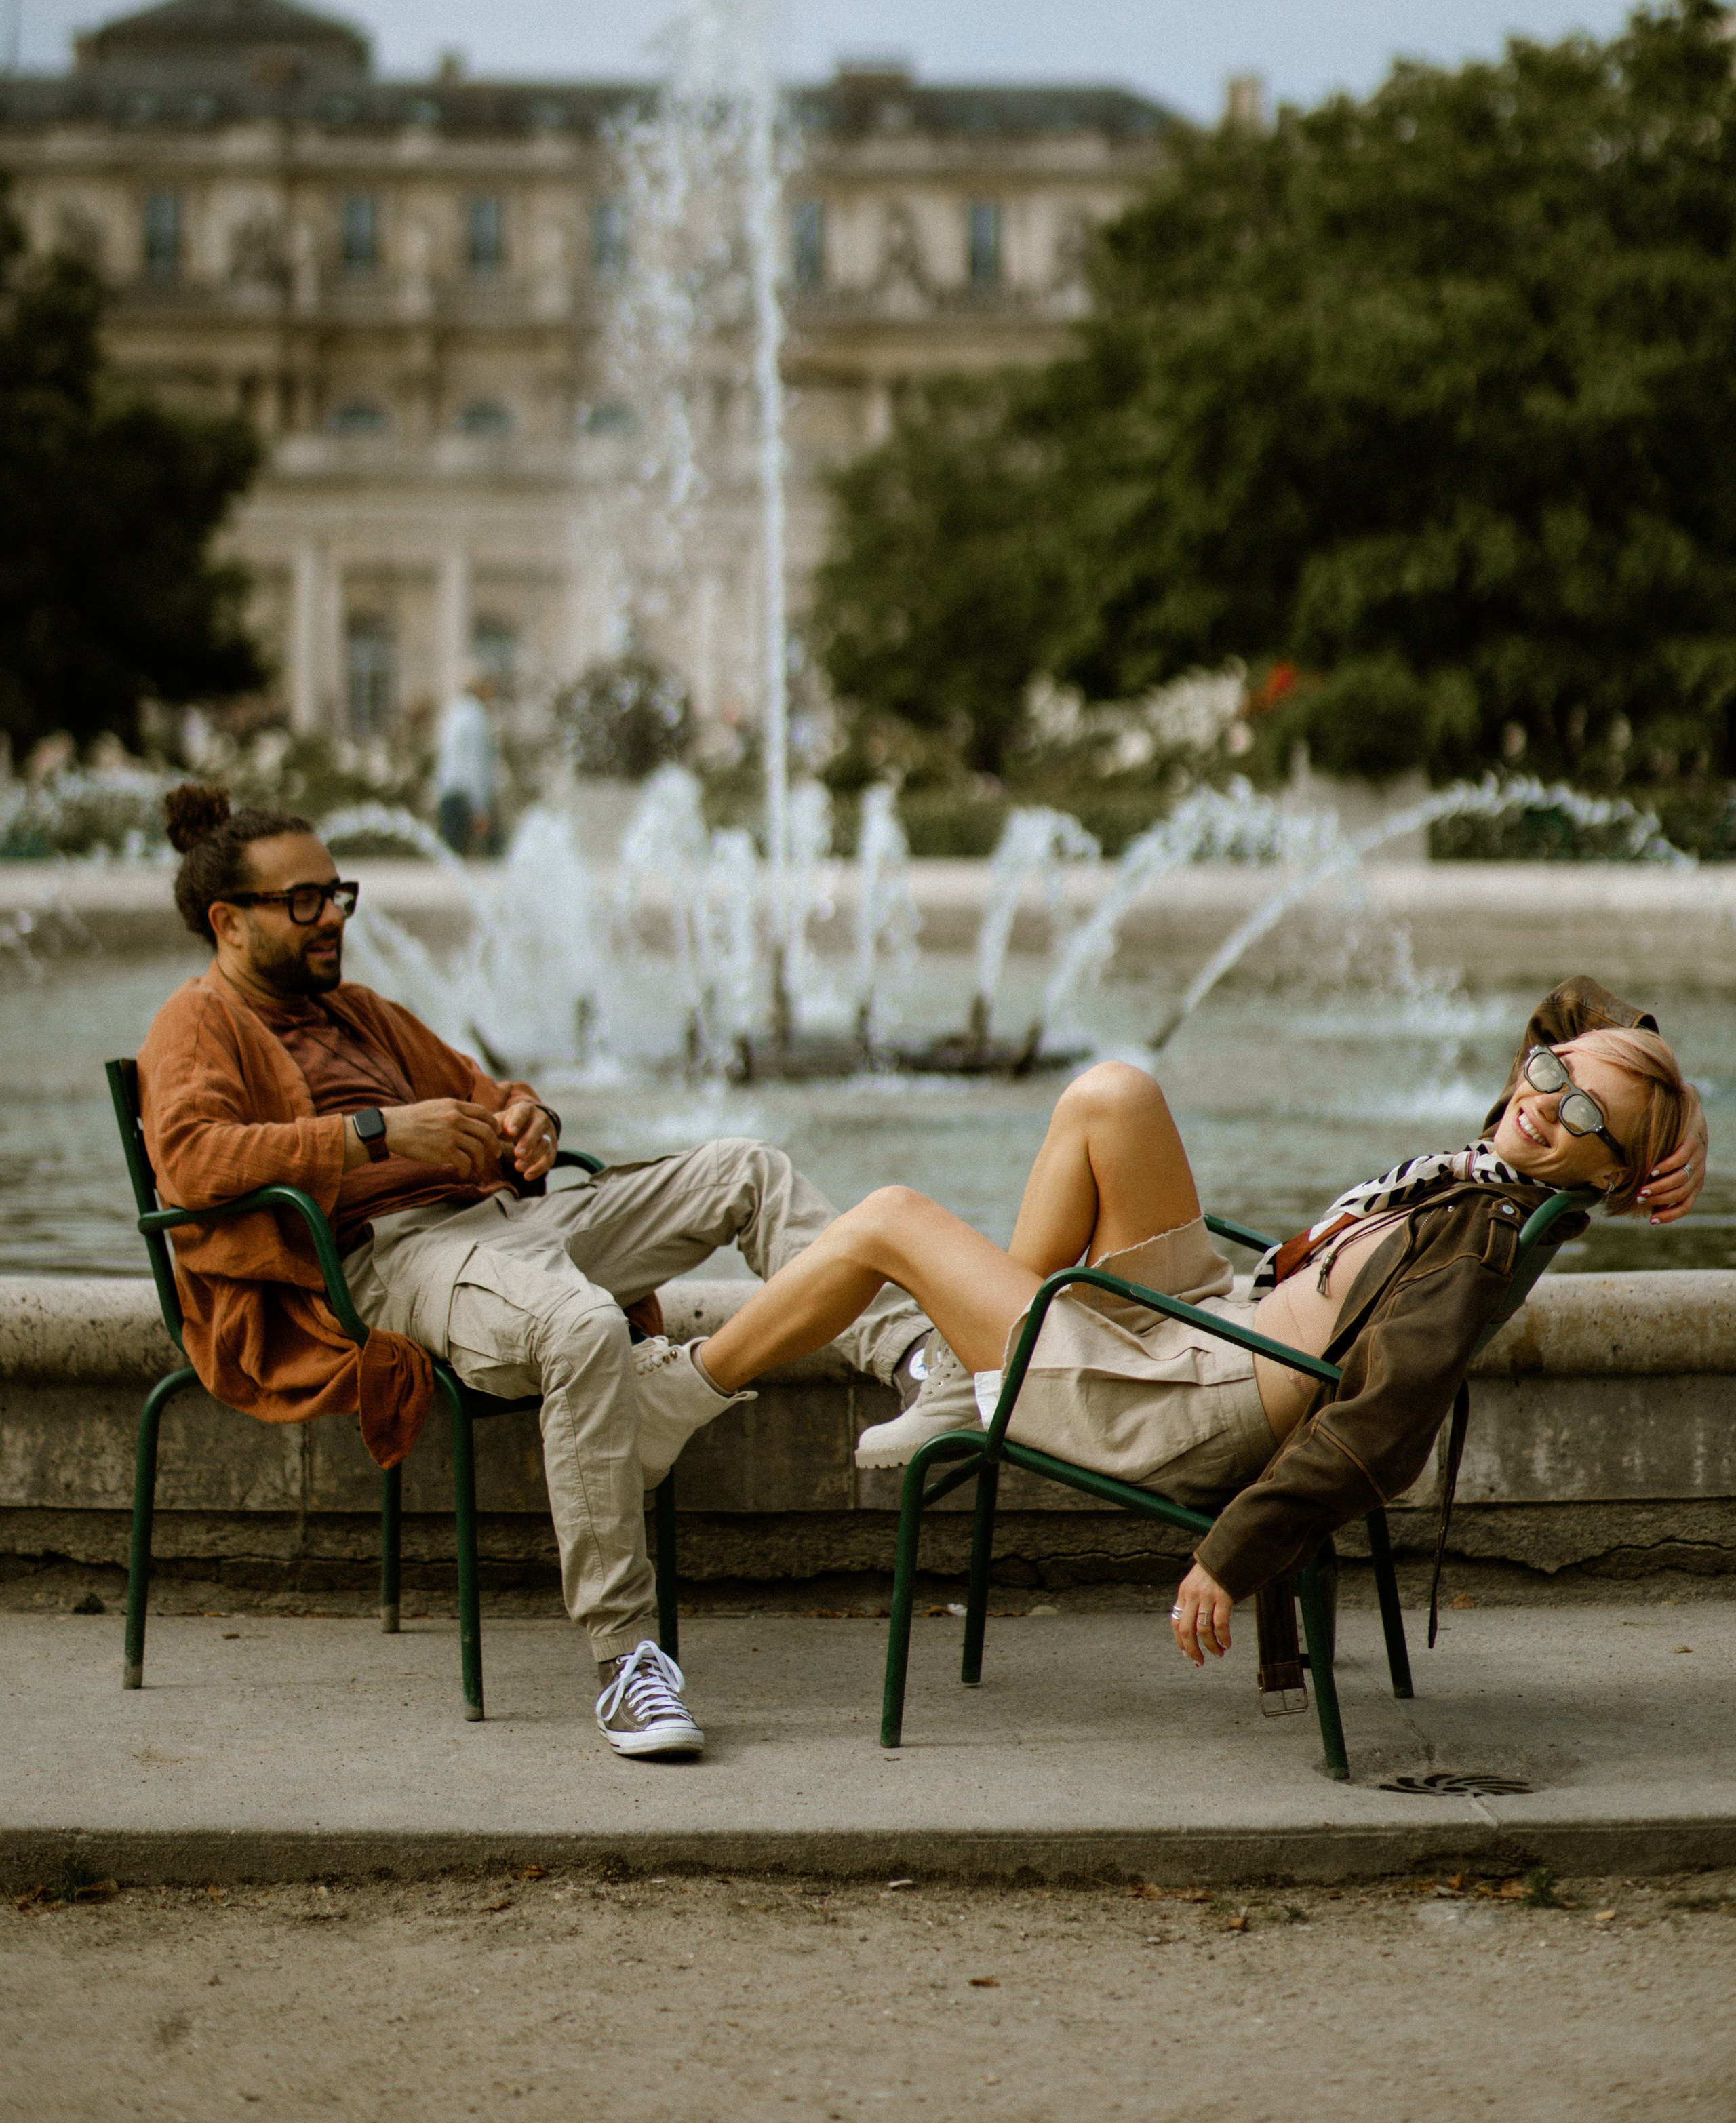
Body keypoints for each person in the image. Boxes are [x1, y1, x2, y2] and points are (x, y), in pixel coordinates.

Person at [136, 786, 930, 1762]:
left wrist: (526, 1120)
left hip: (515, 1215)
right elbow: (195, 1158)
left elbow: (487, 1089)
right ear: (229, 922)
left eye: (338, 893)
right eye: (304, 901)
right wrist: (376, 1132)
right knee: (582, 1327)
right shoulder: (198, 1024)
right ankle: (627, 1659)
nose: (333, 916)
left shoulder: (362, 1013)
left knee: (745, 1173)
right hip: (401, 1258)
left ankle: (916, 1360)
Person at [644, 978, 1705, 1669]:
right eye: (1552, 1073)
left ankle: (673, 1398)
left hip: (1184, 1406)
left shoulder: (1481, 1238)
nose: (1543, 1096)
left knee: (887, 1220)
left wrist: (1229, 1555)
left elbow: (1380, 1428)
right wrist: (1675, 1105)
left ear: (1608, 1170)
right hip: (1210, 1325)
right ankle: (977, 1372)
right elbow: (1571, 1009)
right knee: (1113, 1093)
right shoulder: (1509, 1164)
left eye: (1581, 1113)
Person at [435, 671, 500, 857]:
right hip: (465, 795)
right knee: (491, 854)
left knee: (453, 860)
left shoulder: (457, 712)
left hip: (449, 791)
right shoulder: (476, 718)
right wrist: (480, 808)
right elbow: (476, 764)